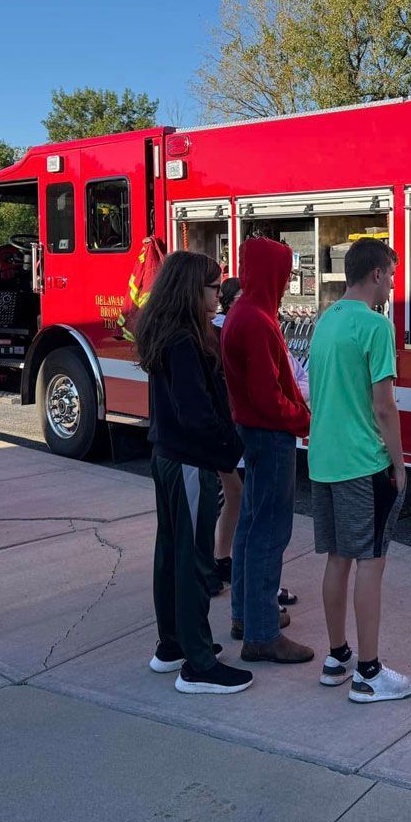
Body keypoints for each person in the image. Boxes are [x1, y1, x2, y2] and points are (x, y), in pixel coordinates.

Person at [136, 250, 252, 695]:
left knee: (171, 553)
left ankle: (174, 646)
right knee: (193, 560)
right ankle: (199, 665)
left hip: (168, 455)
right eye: (212, 285)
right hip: (189, 460)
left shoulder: (167, 331)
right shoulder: (186, 339)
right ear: (191, 289)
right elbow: (197, 413)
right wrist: (231, 451)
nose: (218, 293)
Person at [307, 238, 411, 702]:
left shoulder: (325, 322)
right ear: (375, 274)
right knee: (371, 562)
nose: (393, 282)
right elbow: (384, 407)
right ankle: (369, 674)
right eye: (391, 273)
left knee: (338, 559)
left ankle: (338, 657)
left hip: (323, 461)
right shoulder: (375, 327)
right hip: (362, 464)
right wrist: (399, 463)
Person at [221, 237, 314, 664]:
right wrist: (303, 420)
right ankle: (261, 633)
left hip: (254, 431)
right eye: (285, 271)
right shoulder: (257, 319)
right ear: (270, 273)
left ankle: (246, 615)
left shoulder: (244, 313)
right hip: (269, 434)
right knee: (270, 532)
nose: (287, 279)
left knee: (251, 525)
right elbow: (267, 395)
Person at [209, 278, 296, 612]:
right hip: (248, 433)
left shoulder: (234, 324)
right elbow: (265, 391)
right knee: (260, 522)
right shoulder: (245, 325)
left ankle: (240, 594)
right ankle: (258, 614)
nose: (284, 287)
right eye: (213, 289)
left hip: (238, 433)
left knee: (243, 507)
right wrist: (299, 418)